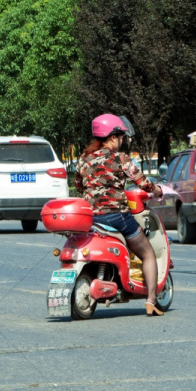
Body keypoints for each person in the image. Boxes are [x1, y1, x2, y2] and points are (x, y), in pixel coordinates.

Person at [75, 114, 165, 316]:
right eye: (121, 137)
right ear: (113, 136)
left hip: (91, 217)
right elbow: (142, 182)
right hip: (117, 216)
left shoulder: (83, 158)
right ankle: (151, 300)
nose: (122, 141)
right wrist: (157, 190)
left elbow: (79, 185)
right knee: (148, 253)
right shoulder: (120, 158)